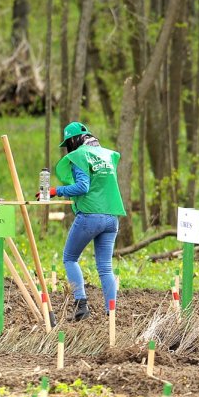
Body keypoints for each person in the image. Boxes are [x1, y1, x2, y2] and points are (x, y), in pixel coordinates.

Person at [47, 121, 126, 321]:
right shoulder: (106, 155)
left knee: (70, 257)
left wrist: (56, 191)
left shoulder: (80, 156)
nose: (68, 149)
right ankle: (111, 312)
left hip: (90, 216)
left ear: (75, 140)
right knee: (105, 267)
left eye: (68, 144)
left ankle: (81, 306)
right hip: (111, 217)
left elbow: (82, 187)